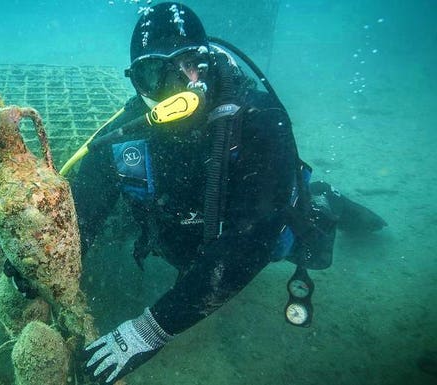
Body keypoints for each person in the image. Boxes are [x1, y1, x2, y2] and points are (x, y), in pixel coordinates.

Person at [67, 3, 387, 384]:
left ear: (208, 65)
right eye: (153, 73)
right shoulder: (129, 131)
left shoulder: (260, 123)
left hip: (248, 224)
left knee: (295, 239)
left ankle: (324, 199)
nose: (174, 88)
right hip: (177, 229)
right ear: (136, 81)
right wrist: (43, 257)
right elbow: (81, 207)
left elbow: (247, 244)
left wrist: (151, 328)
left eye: (188, 66)